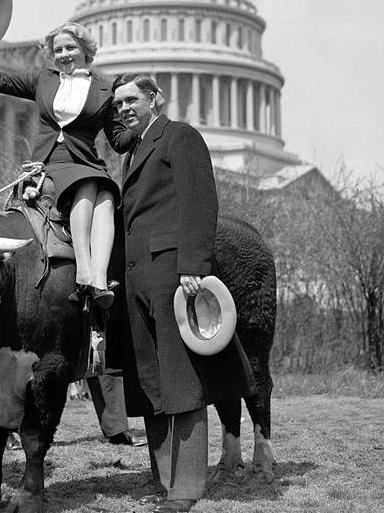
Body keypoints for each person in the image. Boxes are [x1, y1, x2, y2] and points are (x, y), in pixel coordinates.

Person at [109, 73, 256, 513]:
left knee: (183, 381)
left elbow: (200, 199)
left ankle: (187, 487)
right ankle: (164, 479)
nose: (123, 109)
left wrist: (194, 264)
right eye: (118, 104)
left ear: (156, 98)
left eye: (132, 99)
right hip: (138, 279)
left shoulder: (181, 137)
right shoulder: (133, 150)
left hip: (173, 275)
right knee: (150, 382)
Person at [0, 22, 133, 307]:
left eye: (70, 48)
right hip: (49, 163)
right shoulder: (43, 79)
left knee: (106, 195)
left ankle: (100, 279)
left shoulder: (105, 89)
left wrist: (147, 122)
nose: (64, 55)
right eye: (58, 50)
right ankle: (84, 270)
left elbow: (118, 140)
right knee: (89, 184)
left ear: (85, 50)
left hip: (85, 160)